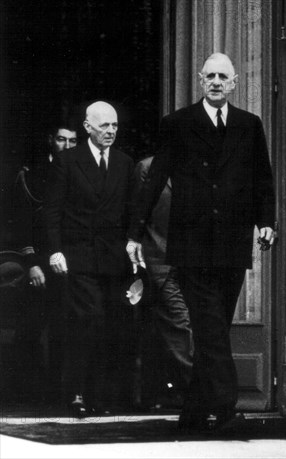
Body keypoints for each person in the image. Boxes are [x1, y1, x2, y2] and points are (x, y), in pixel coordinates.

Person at [127, 53, 275, 432]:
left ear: (235, 82)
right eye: (209, 75)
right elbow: (156, 177)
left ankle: (193, 408)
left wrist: (266, 223)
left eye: (222, 76)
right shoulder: (177, 124)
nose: (215, 81)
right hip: (191, 245)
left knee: (216, 326)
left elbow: (263, 178)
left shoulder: (249, 124)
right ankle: (225, 409)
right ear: (199, 80)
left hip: (232, 243)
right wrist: (134, 233)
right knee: (209, 324)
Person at [43, 101, 135, 417]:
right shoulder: (68, 161)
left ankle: (98, 395)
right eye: (103, 126)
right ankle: (77, 393)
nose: (110, 131)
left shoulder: (124, 163)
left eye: (114, 126)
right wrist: (55, 250)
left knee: (109, 325)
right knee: (86, 321)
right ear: (87, 127)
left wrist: (133, 251)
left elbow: (129, 213)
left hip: (112, 260)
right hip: (79, 257)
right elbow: (52, 210)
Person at [10, 121, 78, 403]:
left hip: (69, 262)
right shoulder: (32, 175)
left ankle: (61, 394)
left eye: (73, 141)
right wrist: (32, 263)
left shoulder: (82, 171)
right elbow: (21, 222)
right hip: (38, 262)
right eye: (62, 140)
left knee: (67, 328)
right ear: (52, 140)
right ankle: (27, 393)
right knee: (32, 328)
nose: (67, 146)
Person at [133, 155, 193, 407]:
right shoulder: (147, 168)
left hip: (191, 263)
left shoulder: (196, 166)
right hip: (159, 260)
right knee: (180, 324)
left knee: (181, 327)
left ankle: (179, 394)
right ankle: (202, 396)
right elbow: (136, 214)